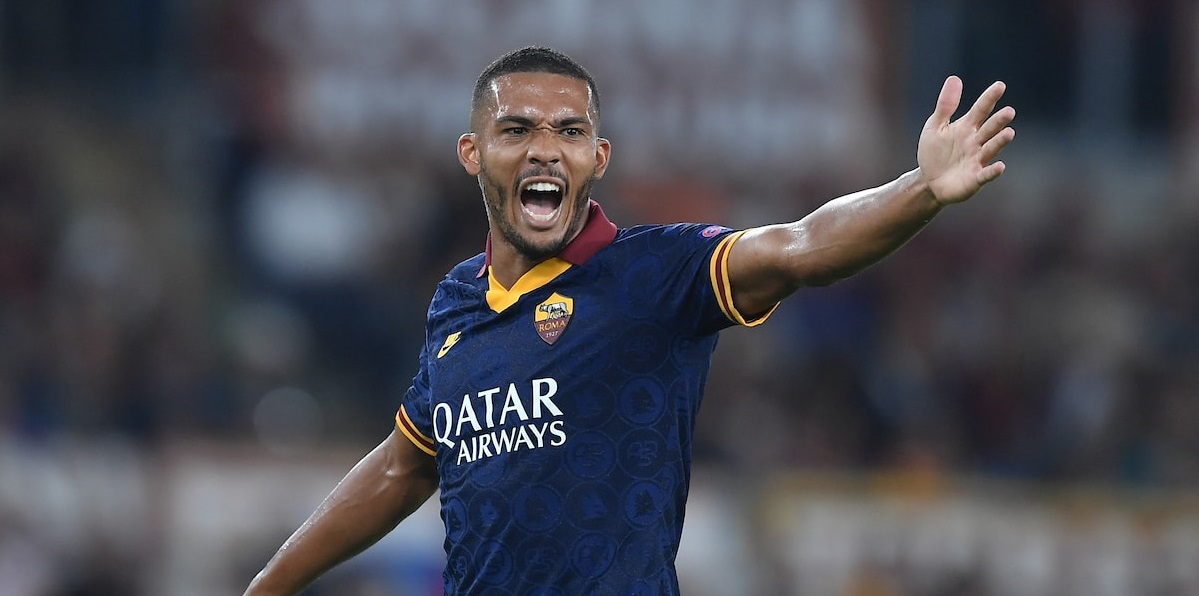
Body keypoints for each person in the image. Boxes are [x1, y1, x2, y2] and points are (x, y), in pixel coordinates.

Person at [244, 45, 1015, 595]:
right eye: (517, 130)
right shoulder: (457, 304)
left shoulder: (653, 274)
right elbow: (403, 465)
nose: (545, 150)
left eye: (569, 131)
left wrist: (919, 189)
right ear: (473, 154)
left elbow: (800, 246)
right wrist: (269, 586)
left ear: (598, 156)